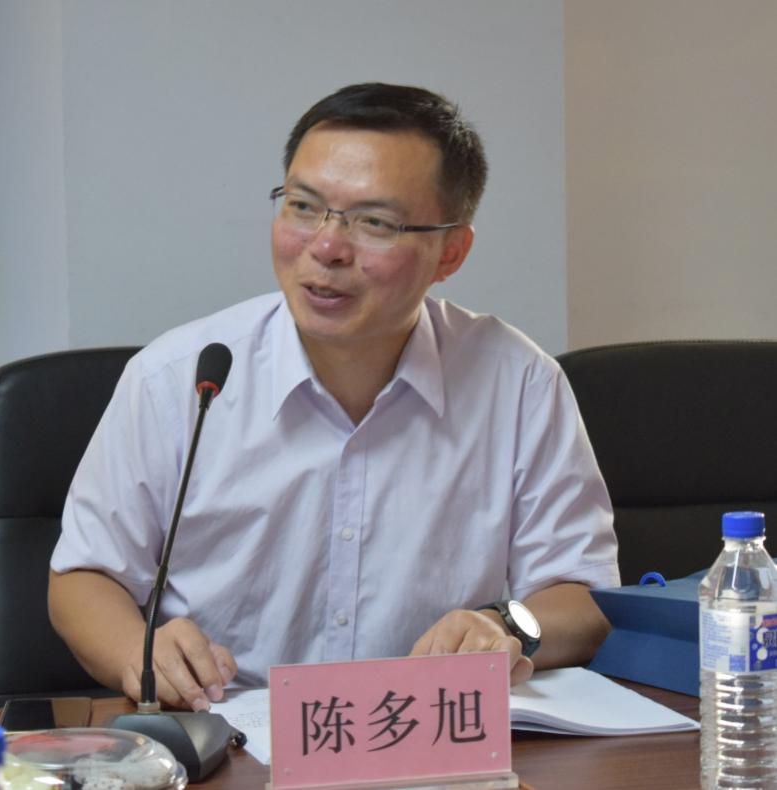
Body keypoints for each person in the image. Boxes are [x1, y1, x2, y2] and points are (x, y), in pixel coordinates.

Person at [48, 82, 620, 713]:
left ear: (451, 251)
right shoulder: (178, 379)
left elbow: (583, 596)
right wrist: (140, 652)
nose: (326, 247)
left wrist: (505, 626)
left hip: (426, 731)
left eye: (375, 223)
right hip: (227, 729)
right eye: (303, 207)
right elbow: (85, 575)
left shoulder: (518, 382)